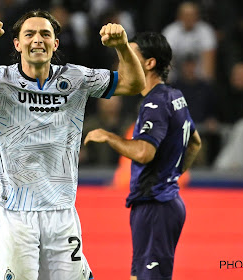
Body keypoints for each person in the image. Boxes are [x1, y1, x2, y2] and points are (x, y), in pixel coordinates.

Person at [0, 10, 145, 280]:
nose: (38, 39)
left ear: (55, 44)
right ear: (17, 44)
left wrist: (121, 48)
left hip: (61, 210)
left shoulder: (76, 79)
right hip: (14, 211)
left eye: (46, 34)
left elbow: (133, 83)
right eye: (30, 34)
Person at [84, 32, 202, 280]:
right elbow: (194, 143)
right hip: (167, 202)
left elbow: (143, 152)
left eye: (131, 56)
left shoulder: (154, 104)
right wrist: (173, 175)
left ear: (149, 64)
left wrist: (109, 137)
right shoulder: (174, 96)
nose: (123, 63)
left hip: (154, 206)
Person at [162, 1, 217, 82]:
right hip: (177, 77)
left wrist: (205, 86)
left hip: (199, 78)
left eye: (192, 15)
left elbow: (208, 66)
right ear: (179, 16)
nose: (189, 18)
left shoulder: (206, 31)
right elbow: (166, 64)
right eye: (186, 15)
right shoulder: (170, 32)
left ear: (198, 16)